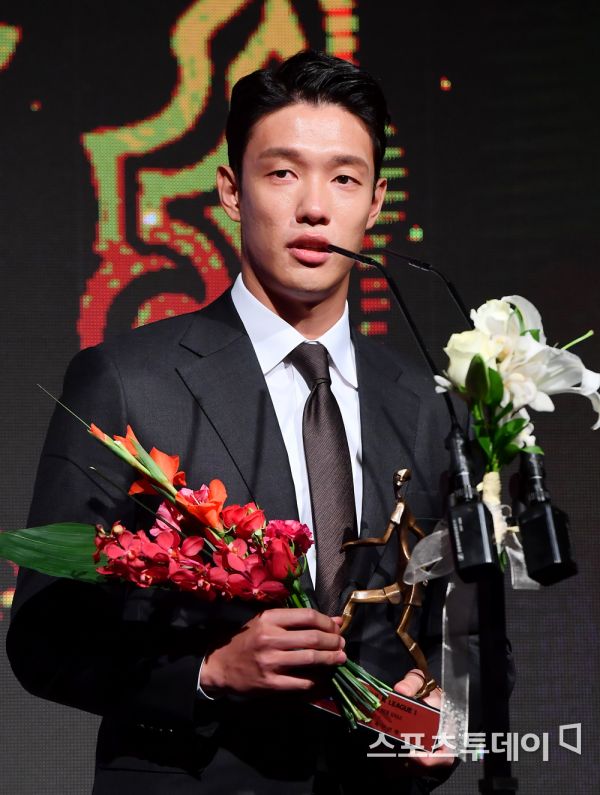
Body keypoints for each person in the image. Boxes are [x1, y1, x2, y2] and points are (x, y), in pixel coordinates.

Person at [7, 51, 457, 794]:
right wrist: (209, 673)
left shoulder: (427, 401)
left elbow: (460, 628)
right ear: (230, 191)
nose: (314, 207)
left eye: (344, 179)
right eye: (282, 173)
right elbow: (45, 637)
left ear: (376, 201)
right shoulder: (129, 381)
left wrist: (450, 713)